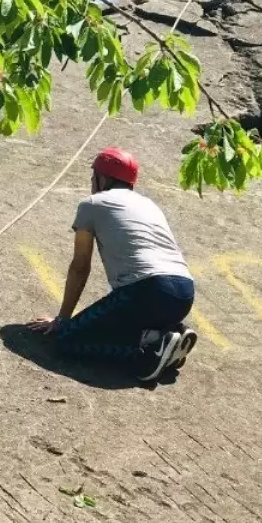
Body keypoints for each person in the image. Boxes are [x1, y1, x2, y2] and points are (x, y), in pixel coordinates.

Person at [28, 147, 198, 382]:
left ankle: (150, 349)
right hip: (184, 292)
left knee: (68, 340)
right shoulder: (149, 204)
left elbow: (80, 267)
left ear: (102, 178)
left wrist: (62, 319)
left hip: (146, 291)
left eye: (93, 175)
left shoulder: (92, 204)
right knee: (119, 321)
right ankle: (169, 336)